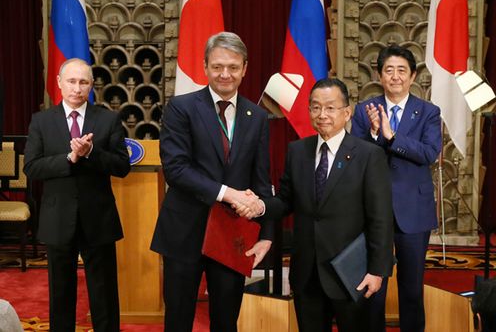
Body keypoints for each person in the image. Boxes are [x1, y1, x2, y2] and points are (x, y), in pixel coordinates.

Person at [150, 31, 273, 332]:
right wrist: (229, 193)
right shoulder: (181, 108)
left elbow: (261, 179)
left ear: (245, 68)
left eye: (233, 67)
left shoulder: (256, 116)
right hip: (184, 232)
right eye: (217, 66)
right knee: (178, 319)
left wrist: (265, 232)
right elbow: (176, 169)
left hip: (232, 236)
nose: (225, 74)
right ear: (205, 66)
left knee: (226, 320)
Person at [248, 78, 394, 331]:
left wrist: (377, 270)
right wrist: (259, 206)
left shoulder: (369, 155)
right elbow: (285, 201)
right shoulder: (297, 151)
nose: (322, 114)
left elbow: (380, 218)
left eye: (330, 107)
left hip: (352, 273)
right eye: (315, 107)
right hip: (307, 272)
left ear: (347, 112)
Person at [24, 58, 130, 332]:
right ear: (59, 83)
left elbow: (121, 167)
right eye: (71, 81)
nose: (77, 88)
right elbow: (32, 168)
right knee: (61, 294)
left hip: (99, 219)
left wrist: (91, 153)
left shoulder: (108, 119)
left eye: (83, 82)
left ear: (91, 86)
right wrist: (70, 158)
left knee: (104, 294)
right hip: (57, 218)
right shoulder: (41, 121)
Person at [351, 44, 442, 332]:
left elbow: (429, 153)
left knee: (412, 290)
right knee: (372, 287)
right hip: (372, 210)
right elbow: (354, 155)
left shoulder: (428, 111)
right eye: (388, 70)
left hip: (413, 211)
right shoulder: (364, 111)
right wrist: (376, 134)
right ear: (379, 75)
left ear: (413, 76)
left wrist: (392, 137)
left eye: (402, 70)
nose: (395, 76)